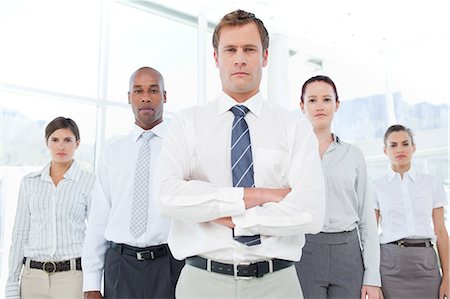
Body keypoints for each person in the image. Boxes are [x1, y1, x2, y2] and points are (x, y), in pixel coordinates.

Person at [156, 10, 325, 299]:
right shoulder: (188, 122)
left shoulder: (294, 126)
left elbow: (311, 212)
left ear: (265, 57)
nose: (239, 58)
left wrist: (234, 218)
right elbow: (166, 196)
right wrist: (259, 195)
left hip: (277, 283)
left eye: (249, 49)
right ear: (216, 58)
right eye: (230, 49)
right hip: (202, 282)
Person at [82, 66, 184, 299]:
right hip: (120, 266)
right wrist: (91, 283)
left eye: (153, 90)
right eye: (138, 91)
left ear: (165, 96)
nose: (145, 97)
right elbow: (98, 219)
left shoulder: (181, 148)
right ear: (129, 97)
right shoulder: (112, 152)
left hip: (169, 264)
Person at [295, 75, 382, 299]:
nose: (320, 106)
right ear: (302, 105)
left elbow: (366, 219)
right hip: (306, 250)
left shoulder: (353, 155)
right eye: (312, 100)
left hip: (348, 253)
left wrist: (372, 278)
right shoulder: (293, 154)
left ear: (337, 104)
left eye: (326, 99)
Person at [5, 117, 95, 299]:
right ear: (47, 143)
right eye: (55, 140)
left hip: (72, 278)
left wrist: (94, 284)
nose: (61, 146)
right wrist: (12, 285)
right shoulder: (29, 183)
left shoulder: (89, 182)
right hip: (32, 279)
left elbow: (96, 237)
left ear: (77, 143)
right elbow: (19, 236)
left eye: (67, 140)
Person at [372, 124, 449, 299]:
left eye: (405, 144)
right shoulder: (376, 187)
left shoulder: (431, 183)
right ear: (385, 150)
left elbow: (441, 232)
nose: (400, 149)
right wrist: (372, 281)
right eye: (393, 145)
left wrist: (448, 279)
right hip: (390, 266)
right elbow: (370, 235)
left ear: (414, 147)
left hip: (426, 265)